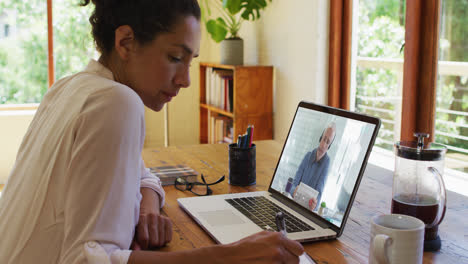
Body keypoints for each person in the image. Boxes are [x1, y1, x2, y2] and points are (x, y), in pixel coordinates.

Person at [0, 1, 304, 263]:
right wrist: (232, 256)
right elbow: (86, 260)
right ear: (126, 42)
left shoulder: (69, 87)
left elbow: (141, 172)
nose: (185, 80)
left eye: (190, 61)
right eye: (175, 58)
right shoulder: (117, 102)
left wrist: (147, 208)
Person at [290, 123, 336, 211]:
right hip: (295, 204)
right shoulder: (308, 156)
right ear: (320, 138)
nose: (323, 145)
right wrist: (293, 191)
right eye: (324, 139)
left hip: (307, 210)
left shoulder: (326, 164)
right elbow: (294, 184)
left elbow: (318, 199)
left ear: (329, 146)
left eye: (327, 142)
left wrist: (314, 205)